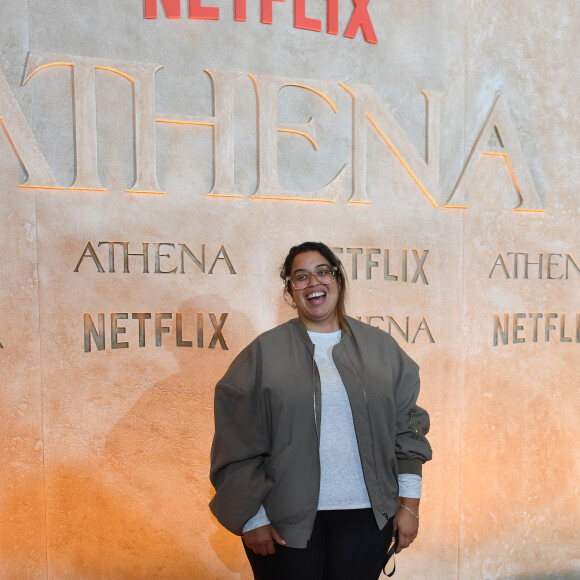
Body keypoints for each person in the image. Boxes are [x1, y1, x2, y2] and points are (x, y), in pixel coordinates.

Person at [210, 241, 432, 580]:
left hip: (368, 519)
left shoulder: (381, 349)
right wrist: (252, 518)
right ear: (290, 291)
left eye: (322, 272)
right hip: (285, 521)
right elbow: (235, 440)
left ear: (338, 279)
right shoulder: (263, 354)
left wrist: (409, 506)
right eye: (300, 277)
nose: (313, 283)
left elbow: (408, 430)